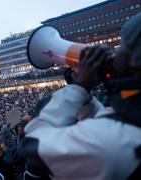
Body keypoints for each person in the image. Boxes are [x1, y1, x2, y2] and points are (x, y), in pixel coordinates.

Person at [22, 13, 141, 180]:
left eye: (122, 44)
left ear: (133, 60)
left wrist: (78, 88)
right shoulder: (127, 120)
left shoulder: (114, 142)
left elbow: (34, 144)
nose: (115, 50)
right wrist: (85, 98)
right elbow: (106, 122)